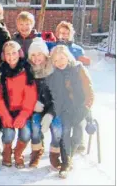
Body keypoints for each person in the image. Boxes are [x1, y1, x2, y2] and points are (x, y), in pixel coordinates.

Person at [46, 45, 94, 179]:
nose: (59, 62)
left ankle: (69, 156)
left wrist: (86, 107)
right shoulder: (54, 74)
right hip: (65, 109)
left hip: (81, 107)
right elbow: (55, 95)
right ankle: (66, 163)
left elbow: (89, 90)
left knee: (78, 132)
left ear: (68, 56)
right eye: (55, 60)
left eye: (62, 58)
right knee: (65, 131)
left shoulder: (79, 69)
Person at [0, 41, 38, 169]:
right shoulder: (1, 72)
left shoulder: (26, 71)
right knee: (8, 134)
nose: (11, 56)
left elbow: (30, 97)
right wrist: (5, 115)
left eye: (14, 53)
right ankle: (7, 151)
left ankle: (18, 153)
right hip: (7, 111)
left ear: (19, 54)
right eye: (8, 54)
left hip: (23, 111)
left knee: (25, 133)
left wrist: (23, 115)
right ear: (3, 56)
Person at [27, 38, 62, 169]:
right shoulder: (29, 71)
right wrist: (32, 104)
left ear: (45, 54)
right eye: (33, 55)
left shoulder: (53, 71)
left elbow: (59, 96)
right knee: (35, 127)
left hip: (54, 108)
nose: (36, 58)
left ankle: (54, 154)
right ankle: (36, 152)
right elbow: (24, 92)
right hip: (36, 108)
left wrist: (50, 114)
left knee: (57, 128)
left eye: (39, 54)